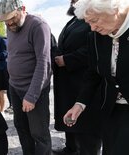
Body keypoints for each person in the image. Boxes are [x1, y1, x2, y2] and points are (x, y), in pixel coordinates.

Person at [63, 0, 129, 155]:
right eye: (88, 23)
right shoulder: (95, 36)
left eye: (94, 20)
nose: (92, 28)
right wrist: (79, 104)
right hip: (112, 109)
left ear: (114, 10)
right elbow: (93, 73)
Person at [0, 0, 52, 154]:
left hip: (34, 89)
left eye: (12, 18)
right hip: (14, 86)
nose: (8, 23)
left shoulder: (38, 26)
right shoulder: (10, 27)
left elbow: (44, 63)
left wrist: (32, 96)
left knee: (39, 133)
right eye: (5, 19)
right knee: (21, 127)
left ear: (22, 9)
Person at [52, 1, 102, 155]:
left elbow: (94, 50)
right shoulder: (73, 20)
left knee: (86, 124)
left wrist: (67, 59)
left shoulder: (94, 19)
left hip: (84, 81)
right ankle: (71, 148)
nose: (73, 3)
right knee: (69, 116)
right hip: (68, 81)